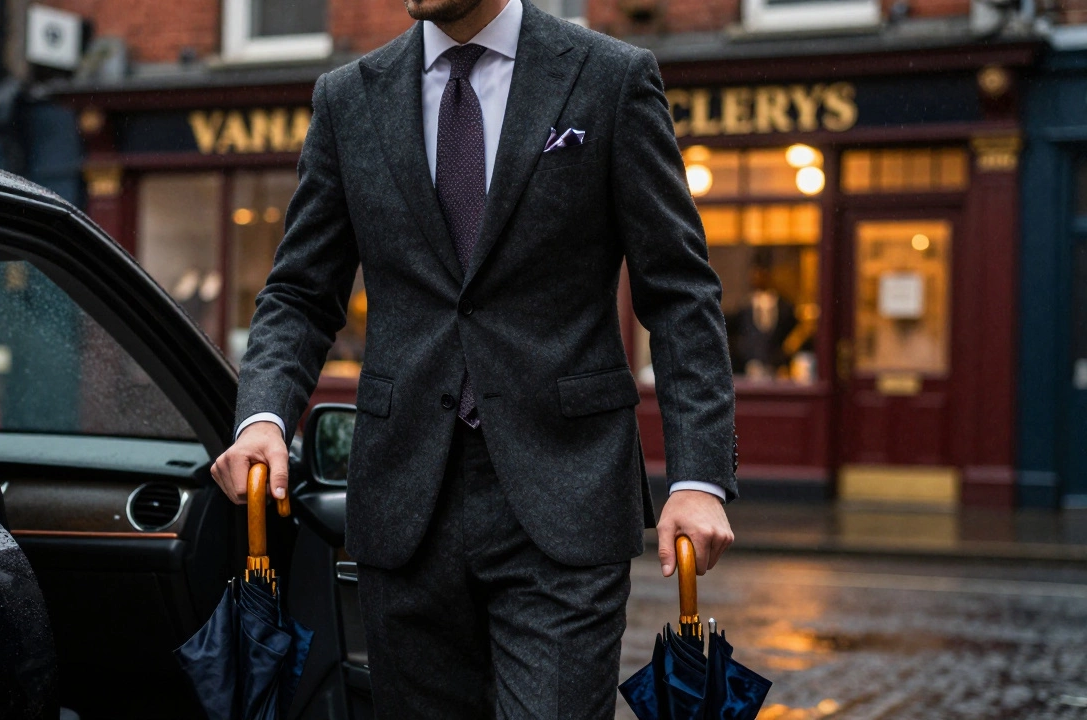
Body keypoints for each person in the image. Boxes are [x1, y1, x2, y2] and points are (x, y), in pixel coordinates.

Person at [211, 0, 737, 717]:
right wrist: (263, 416)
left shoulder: (609, 78)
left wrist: (699, 477)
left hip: (565, 495)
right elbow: (300, 292)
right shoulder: (347, 98)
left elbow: (679, 294)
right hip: (405, 504)